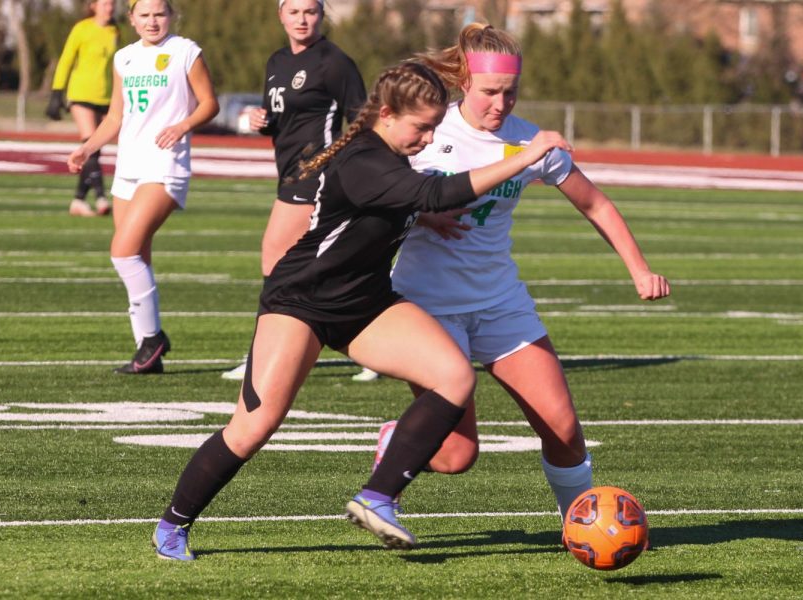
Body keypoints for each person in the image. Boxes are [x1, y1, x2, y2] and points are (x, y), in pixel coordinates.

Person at [150, 61, 573, 560]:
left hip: (367, 304)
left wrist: (427, 217)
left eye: (435, 127)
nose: (428, 137)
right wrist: (526, 155)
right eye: (421, 127)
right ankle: (173, 525)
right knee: (253, 427)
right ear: (388, 114)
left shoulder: (391, 155)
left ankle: (377, 497)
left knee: (455, 378)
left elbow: (413, 201)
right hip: (300, 303)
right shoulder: (364, 160)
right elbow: (432, 190)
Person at [378, 23, 671, 527]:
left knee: (563, 428)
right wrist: (423, 213)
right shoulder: (428, 133)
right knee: (455, 456)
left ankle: (580, 525)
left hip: (499, 303)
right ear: (464, 82)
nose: (501, 103)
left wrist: (639, 268)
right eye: (491, 91)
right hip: (427, 306)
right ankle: (392, 445)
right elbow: (369, 194)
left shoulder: (531, 143)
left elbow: (596, 204)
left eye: (510, 92)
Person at [66, 0, 219, 374]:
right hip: (128, 168)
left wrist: (182, 126)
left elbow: (210, 103)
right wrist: (88, 146)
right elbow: (116, 116)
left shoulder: (185, 51)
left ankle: (153, 340)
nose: (153, 21)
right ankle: (146, 351)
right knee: (138, 256)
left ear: (171, 15)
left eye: (160, 14)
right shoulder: (124, 58)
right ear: (131, 19)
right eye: (144, 15)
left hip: (165, 166)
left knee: (122, 252)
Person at [221, 0, 367, 382]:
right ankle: (370, 346)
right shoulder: (276, 62)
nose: (303, 19)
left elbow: (363, 120)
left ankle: (262, 357)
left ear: (321, 15)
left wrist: (342, 167)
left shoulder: (334, 62)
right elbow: (282, 119)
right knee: (322, 268)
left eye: (311, 11)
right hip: (289, 174)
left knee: (275, 261)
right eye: (295, 11)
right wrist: (261, 122)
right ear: (280, 15)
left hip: (315, 176)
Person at [47, 0, 120, 217]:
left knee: (95, 149)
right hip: (81, 94)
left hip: (106, 96)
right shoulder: (82, 29)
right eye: (106, 4)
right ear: (93, 6)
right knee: (90, 145)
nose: (110, 8)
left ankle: (78, 200)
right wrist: (56, 92)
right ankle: (100, 197)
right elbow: (66, 60)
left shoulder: (116, 30)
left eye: (113, 4)